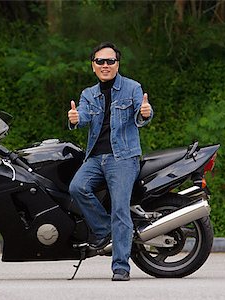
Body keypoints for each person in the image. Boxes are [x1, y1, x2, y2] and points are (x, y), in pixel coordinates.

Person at [68, 42, 153, 281]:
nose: (105, 65)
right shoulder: (88, 94)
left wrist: (145, 113)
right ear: (93, 65)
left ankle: (121, 267)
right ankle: (106, 231)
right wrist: (75, 119)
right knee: (77, 187)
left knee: (119, 207)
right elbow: (83, 116)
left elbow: (141, 112)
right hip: (95, 157)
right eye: (100, 62)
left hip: (123, 157)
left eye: (110, 61)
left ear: (118, 64)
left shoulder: (132, 87)